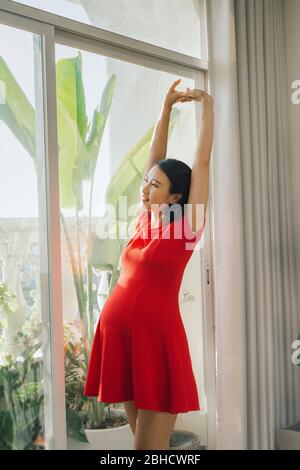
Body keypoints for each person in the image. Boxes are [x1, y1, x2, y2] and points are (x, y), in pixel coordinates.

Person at [84, 79, 214, 450]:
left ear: (175, 195)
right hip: (123, 342)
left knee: (147, 451)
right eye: (145, 182)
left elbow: (202, 161)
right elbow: (155, 157)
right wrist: (166, 108)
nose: (145, 188)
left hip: (155, 345)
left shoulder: (188, 227)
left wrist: (209, 107)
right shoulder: (143, 220)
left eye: (155, 185)